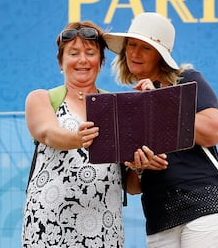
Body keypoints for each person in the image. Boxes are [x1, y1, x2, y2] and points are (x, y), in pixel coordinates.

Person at [21, 20, 166, 248]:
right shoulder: (41, 98)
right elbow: (48, 133)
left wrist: (140, 167)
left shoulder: (119, 106)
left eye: (90, 53)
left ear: (100, 62)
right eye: (73, 53)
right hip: (48, 228)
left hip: (104, 230)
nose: (82, 60)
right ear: (61, 62)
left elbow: (131, 187)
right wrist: (77, 139)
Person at [104, 12, 218, 248]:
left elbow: (212, 132)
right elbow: (133, 187)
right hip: (159, 219)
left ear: (160, 56)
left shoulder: (187, 81)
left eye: (145, 48)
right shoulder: (130, 105)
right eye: (131, 45)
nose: (134, 53)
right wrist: (139, 166)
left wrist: (159, 101)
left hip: (204, 207)